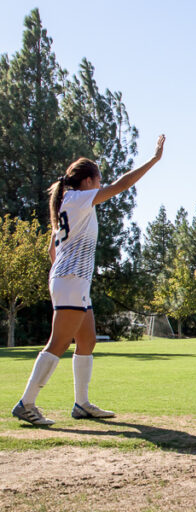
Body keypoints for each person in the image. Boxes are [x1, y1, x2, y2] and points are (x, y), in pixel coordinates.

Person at [12, 135, 166, 426]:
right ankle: (26, 402)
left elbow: (51, 251)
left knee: (87, 340)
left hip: (72, 281)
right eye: (98, 180)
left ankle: (81, 404)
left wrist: (65, 278)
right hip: (71, 281)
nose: (100, 185)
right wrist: (154, 160)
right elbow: (121, 185)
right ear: (87, 181)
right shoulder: (78, 199)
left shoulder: (68, 204)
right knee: (57, 343)